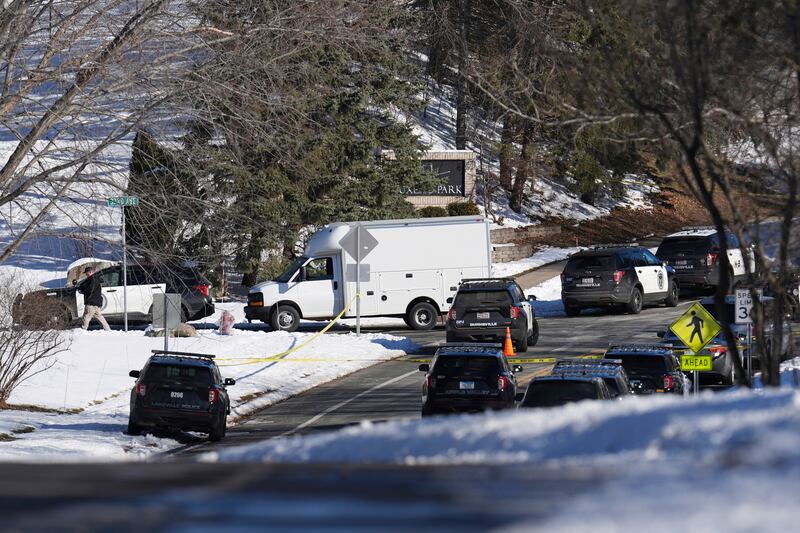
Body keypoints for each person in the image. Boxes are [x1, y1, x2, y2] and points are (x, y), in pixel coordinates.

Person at [78, 266, 110, 331]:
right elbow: (84, 286)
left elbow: (90, 290)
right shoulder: (93, 279)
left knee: (86, 317)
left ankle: (82, 330)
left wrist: (82, 291)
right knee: (99, 317)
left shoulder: (93, 279)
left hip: (91, 301)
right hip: (96, 302)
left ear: (90, 272)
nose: (86, 275)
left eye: (87, 273)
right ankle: (108, 330)